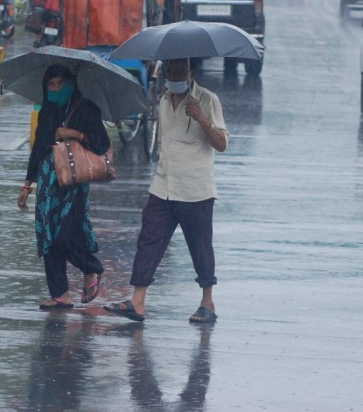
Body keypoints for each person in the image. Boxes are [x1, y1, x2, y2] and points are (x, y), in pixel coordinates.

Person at [105, 57, 227, 324]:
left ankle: (207, 302)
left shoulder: (208, 100)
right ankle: (137, 302)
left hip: (196, 189)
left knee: (200, 247)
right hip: (163, 186)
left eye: (180, 70)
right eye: (170, 70)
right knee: (148, 242)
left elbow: (222, 144)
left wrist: (203, 120)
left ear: (192, 72)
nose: (174, 75)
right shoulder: (162, 101)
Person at [18, 64, 111, 309]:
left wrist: (75, 134)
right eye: (52, 85)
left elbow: (102, 144)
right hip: (48, 183)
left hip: (73, 185)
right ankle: (60, 293)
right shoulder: (46, 112)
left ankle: (92, 269)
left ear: (71, 83)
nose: (57, 89)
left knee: (65, 235)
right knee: (47, 237)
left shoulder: (87, 109)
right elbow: (38, 149)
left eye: (61, 84)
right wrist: (27, 185)